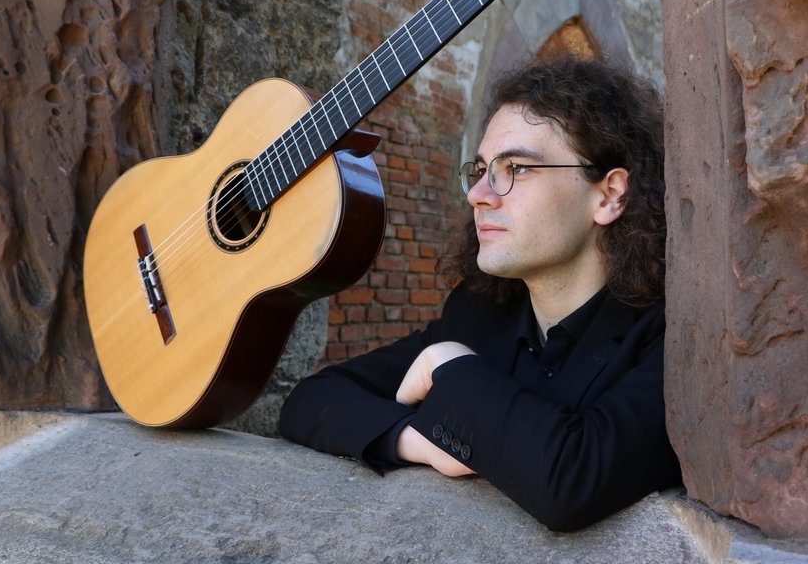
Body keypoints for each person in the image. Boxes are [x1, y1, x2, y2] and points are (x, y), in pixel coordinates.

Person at [279, 56, 682, 532]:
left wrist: (447, 366)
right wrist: (412, 438)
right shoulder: (482, 315)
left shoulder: (668, 335)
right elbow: (312, 400)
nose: (478, 195)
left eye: (516, 169)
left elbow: (571, 480)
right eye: (481, 169)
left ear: (610, 195)